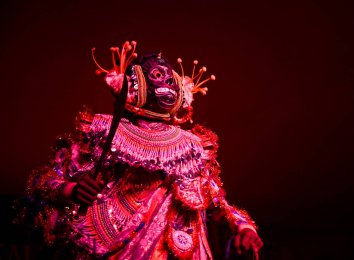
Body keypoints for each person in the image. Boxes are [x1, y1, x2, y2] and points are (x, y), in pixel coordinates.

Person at [25, 40, 263, 259]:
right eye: (157, 75)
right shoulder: (101, 131)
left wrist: (244, 226)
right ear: (135, 84)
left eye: (170, 78)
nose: (167, 83)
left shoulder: (194, 145)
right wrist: (72, 189)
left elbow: (214, 199)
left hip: (181, 247)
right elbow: (45, 182)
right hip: (119, 244)